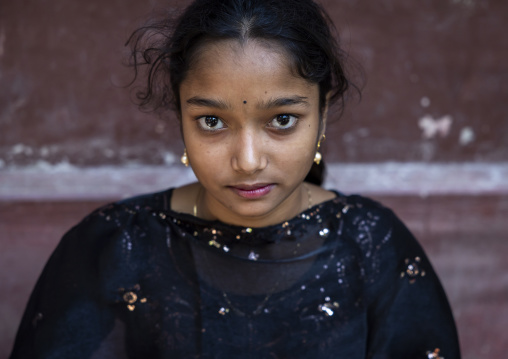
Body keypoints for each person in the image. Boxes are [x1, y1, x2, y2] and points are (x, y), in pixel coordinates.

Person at [10, 0, 461, 358]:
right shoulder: (114, 248)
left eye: (282, 119)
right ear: (181, 118)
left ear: (322, 116)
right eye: (212, 122)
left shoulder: (372, 248)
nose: (247, 161)